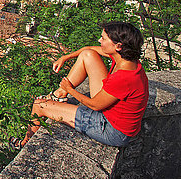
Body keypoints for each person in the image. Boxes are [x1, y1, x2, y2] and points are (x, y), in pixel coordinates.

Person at [18, 21, 149, 148]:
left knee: (39, 105)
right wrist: (65, 57)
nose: (99, 41)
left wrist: (69, 88)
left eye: (103, 39)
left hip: (112, 130)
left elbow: (95, 105)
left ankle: (24, 143)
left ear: (118, 46)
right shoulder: (126, 59)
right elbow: (88, 49)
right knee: (88, 55)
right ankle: (59, 95)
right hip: (115, 116)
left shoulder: (124, 77)